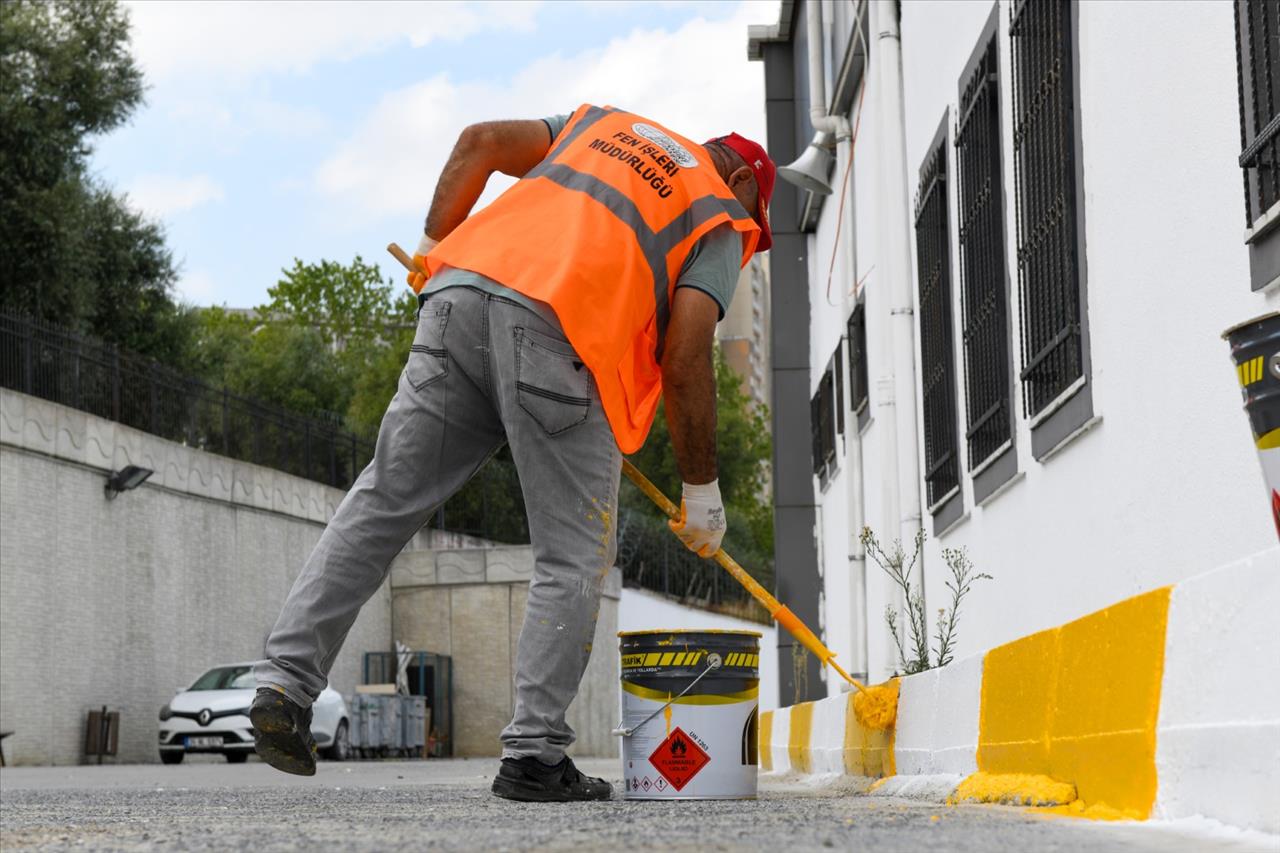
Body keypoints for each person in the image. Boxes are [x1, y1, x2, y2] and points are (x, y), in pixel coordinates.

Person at [250, 104, 775, 802]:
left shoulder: (600, 124)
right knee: (574, 554)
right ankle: (533, 754)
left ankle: (284, 681)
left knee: (380, 501)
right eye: (754, 228)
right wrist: (702, 490)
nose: (745, 246)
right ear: (741, 177)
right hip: (562, 337)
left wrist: (433, 250)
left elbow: (480, 144)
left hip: (458, 297)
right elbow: (686, 354)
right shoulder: (715, 209)